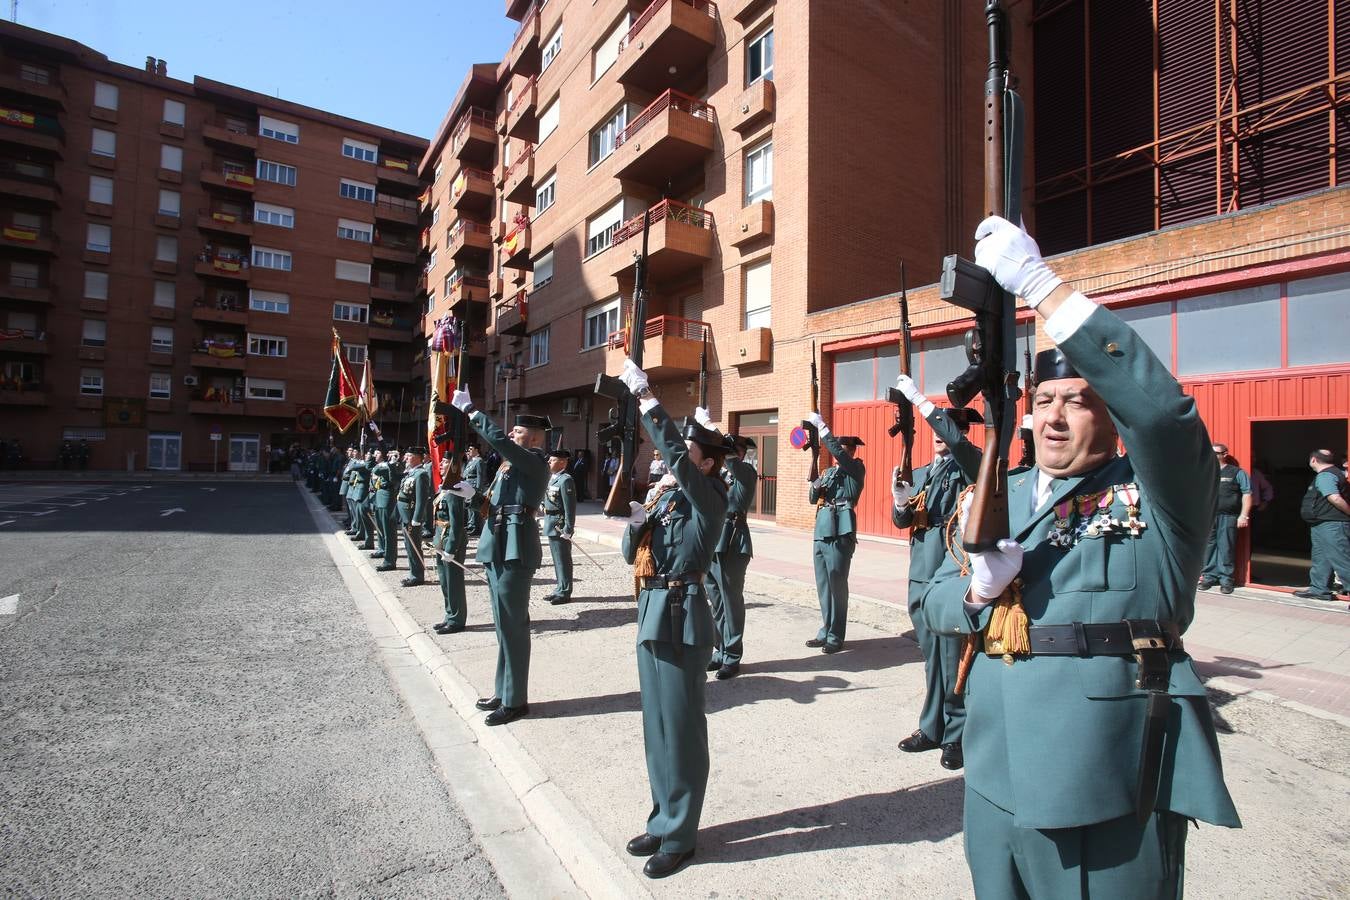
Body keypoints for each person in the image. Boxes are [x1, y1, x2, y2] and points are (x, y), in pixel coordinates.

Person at [921, 215, 1239, 897]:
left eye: (1079, 401)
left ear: (1110, 413)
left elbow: (1163, 418)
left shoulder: (1157, 496)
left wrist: (1041, 287)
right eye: (1044, 402)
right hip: (995, 770)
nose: (1056, 417)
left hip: (1103, 770)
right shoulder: (996, 494)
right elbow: (934, 603)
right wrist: (977, 591)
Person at [616, 359, 727, 880]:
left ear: (705, 464)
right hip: (651, 612)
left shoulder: (710, 500)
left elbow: (676, 459)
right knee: (656, 727)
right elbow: (628, 553)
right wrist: (636, 521)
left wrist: (647, 400)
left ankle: (682, 834)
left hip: (683, 616)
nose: (676, 459)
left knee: (681, 730)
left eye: (689, 453)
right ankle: (661, 818)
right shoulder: (666, 500)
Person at [890, 374, 982, 772]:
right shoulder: (924, 469)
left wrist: (924, 405)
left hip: (951, 570)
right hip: (920, 570)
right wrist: (900, 502)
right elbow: (903, 520)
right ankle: (932, 726)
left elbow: (962, 447)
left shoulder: (972, 464)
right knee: (931, 658)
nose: (939, 436)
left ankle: (957, 734)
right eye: (937, 429)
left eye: (947, 428)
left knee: (954, 657)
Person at [450, 387, 549, 727]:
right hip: (497, 542)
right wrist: (469, 495)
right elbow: (492, 505)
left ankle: (516, 700)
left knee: (513, 625)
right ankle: (503, 691)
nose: (510, 434)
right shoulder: (509, 466)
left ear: (533, 438)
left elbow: (502, 444)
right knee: (503, 625)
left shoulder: (534, 460)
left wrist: (473, 413)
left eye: (517, 431)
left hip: (515, 546)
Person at [696, 407, 756, 680]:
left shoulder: (745, 471)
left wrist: (709, 425)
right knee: (715, 600)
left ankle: (733, 655)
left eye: (736, 450)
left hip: (733, 541)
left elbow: (728, 457)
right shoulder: (719, 473)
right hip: (713, 540)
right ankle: (719, 650)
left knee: (731, 602)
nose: (734, 454)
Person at [803, 413, 866, 654]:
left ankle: (836, 634)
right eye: (840, 447)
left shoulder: (856, 468)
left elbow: (840, 456)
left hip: (841, 529)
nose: (841, 451)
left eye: (844, 448)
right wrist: (816, 478)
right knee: (823, 585)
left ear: (851, 450)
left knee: (837, 584)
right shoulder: (829, 472)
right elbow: (812, 498)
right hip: (822, 529)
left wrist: (823, 429)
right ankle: (826, 629)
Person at [1294, 449, 1350, 601]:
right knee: (1321, 557)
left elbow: (1335, 498)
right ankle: (1319, 589)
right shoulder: (1332, 473)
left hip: (1332, 525)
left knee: (1341, 559)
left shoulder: (1326, 476)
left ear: (1313, 460)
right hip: (1321, 523)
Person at [1199, 443, 1251, 594]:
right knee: (1209, 547)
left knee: (1226, 547)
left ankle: (1226, 579)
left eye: (1216, 453)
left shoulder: (1237, 473)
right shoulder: (1205, 472)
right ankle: (1209, 577)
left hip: (1228, 516)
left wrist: (1243, 515)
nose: (1213, 456)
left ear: (1224, 454)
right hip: (1208, 517)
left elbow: (1247, 494)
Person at [433, 453, 475, 634]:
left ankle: (457, 620)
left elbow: (457, 523)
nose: (441, 464)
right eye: (441, 461)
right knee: (444, 581)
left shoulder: (455, 491)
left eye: (445, 462)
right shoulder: (445, 488)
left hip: (451, 539)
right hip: (441, 537)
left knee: (453, 581)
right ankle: (449, 614)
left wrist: (451, 547)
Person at [542, 448, 578, 605]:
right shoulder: (552, 478)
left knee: (563, 559)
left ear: (562, 462)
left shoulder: (566, 480)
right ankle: (559, 588)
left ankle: (565, 591)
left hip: (559, 524)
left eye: (553, 459)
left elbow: (570, 507)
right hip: (551, 522)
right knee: (557, 559)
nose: (549, 461)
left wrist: (568, 529)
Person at [395, 447, 432, 587]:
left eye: (409, 455)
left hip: (411, 515)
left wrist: (417, 518)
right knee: (408, 545)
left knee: (413, 545)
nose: (406, 458)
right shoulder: (410, 472)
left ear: (417, 457)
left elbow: (422, 499)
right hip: (405, 514)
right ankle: (413, 573)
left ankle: (417, 576)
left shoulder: (421, 474)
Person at [373, 448, 404, 570]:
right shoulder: (388, 465)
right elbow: (374, 468)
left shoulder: (397, 465)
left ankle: (390, 560)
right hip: (380, 498)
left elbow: (378, 470)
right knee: (381, 528)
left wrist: (392, 462)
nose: (390, 455)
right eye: (389, 453)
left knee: (389, 532)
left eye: (393, 453)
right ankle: (384, 552)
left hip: (387, 498)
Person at [348, 450, 374, 551]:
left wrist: (360, 462)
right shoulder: (364, 463)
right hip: (358, 490)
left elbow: (353, 467)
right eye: (366, 453)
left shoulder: (368, 464)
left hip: (363, 491)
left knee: (364, 518)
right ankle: (360, 533)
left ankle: (366, 539)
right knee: (359, 515)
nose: (366, 455)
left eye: (368, 454)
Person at [463, 444, 485, 537]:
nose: (469, 450)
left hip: (474, 486)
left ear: (477, 450)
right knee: (469, 508)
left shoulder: (479, 461)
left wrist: (479, 489)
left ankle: (474, 527)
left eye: (471, 449)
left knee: (474, 507)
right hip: (468, 485)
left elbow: (480, 475)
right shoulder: (471, 461)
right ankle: (470, 524)